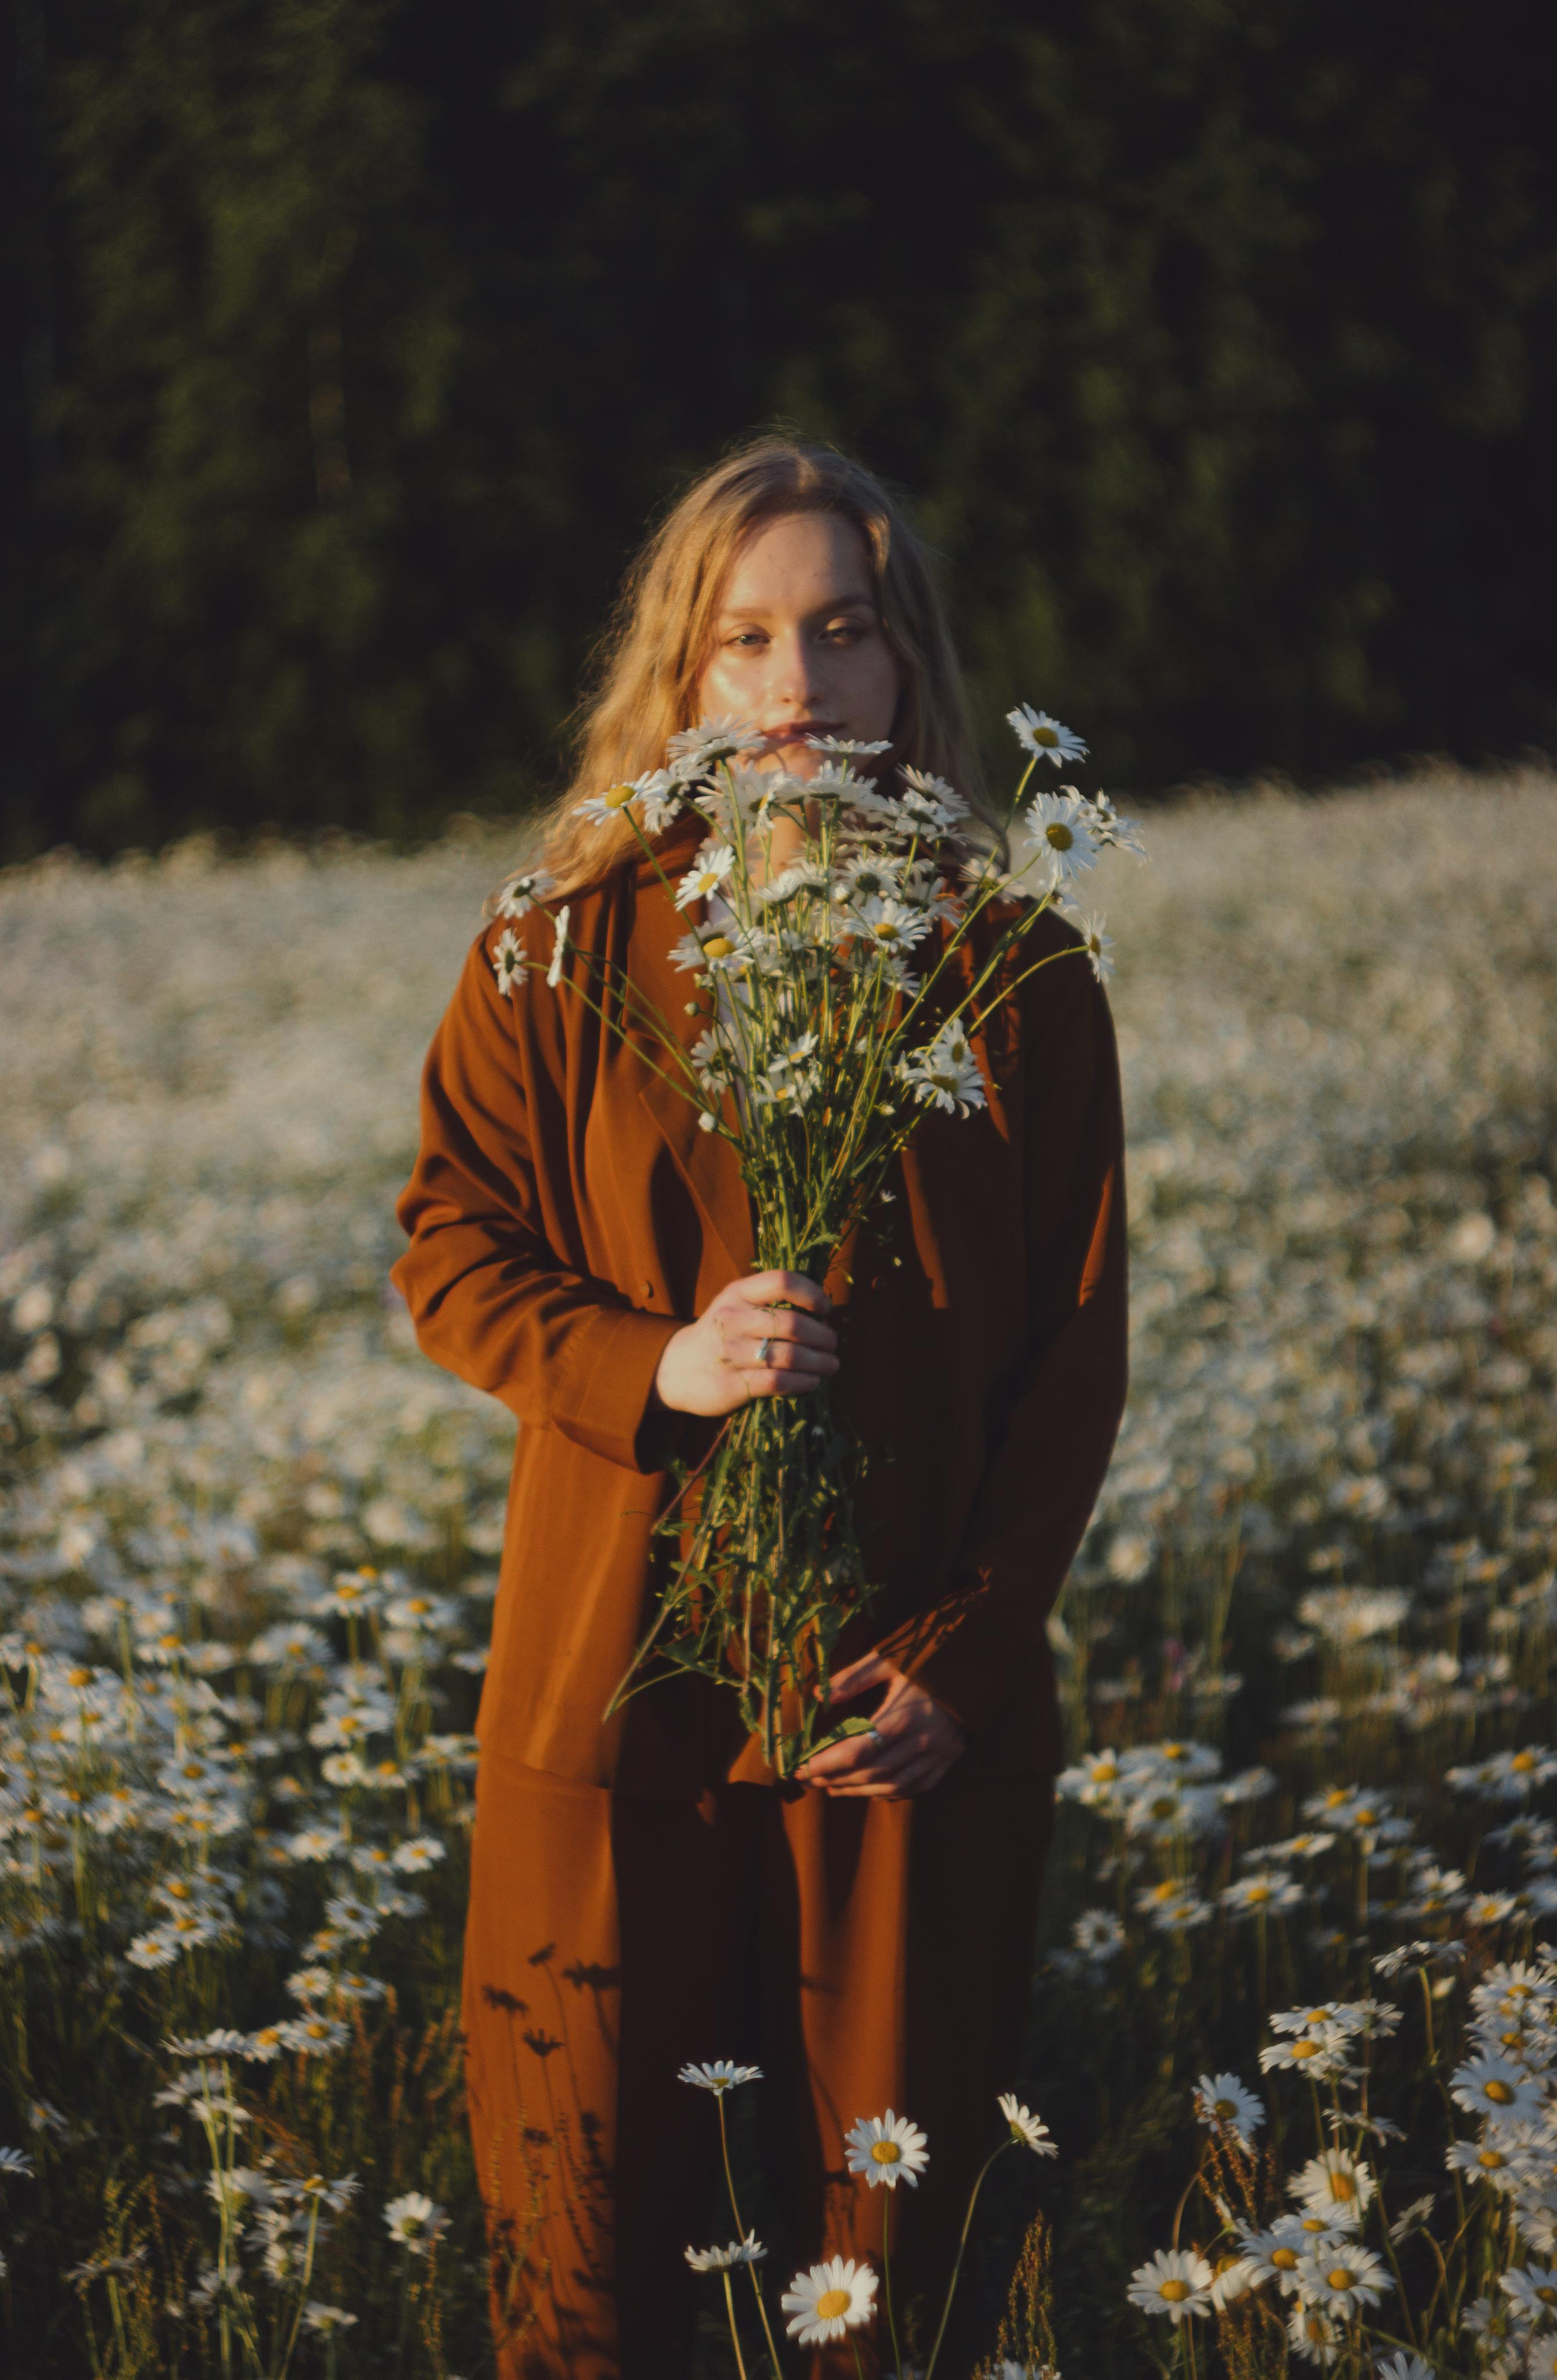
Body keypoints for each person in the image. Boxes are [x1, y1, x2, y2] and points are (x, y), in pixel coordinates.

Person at [392, 435, 1128, 2379]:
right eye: (745, 640)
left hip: (900, 1710)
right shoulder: (555, 946)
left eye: (841, 631)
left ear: (907, 668)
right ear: (683, 675)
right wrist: (657, 1363)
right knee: (588, 2259)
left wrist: (968, 1657)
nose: (795, 683)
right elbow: (446, 1255)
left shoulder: (1018, 966)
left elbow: (1075, 1348)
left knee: (874, 2281)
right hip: (613, 1682)